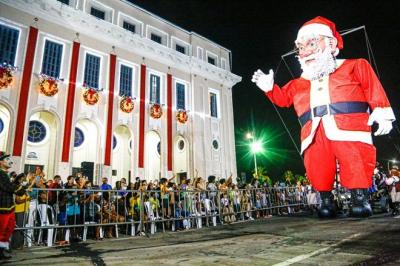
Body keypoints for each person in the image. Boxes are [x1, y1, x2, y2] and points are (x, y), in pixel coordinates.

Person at [252, 16, 395, 218]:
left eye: (311, 43)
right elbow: (283, 99)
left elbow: (373, 88)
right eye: (300, 47)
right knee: (317, 165)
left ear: (331, 43)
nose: (305, 51)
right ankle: (326, 201)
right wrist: (269, 88)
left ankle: (359, 199)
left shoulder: (354, 66)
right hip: (313, 131)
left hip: (349, 126)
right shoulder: (298, 83)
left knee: (355, 160)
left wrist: (382, 112)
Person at [0, 152, 25, 260]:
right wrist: (20, 189)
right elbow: (8, 187)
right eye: (6, 159)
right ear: (1, 162)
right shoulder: (0, 174)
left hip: (9, 207)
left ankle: (1, 251)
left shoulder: (5, 173)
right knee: (2, 230)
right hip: (2, 207)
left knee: (8, 228)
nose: (9, 160)